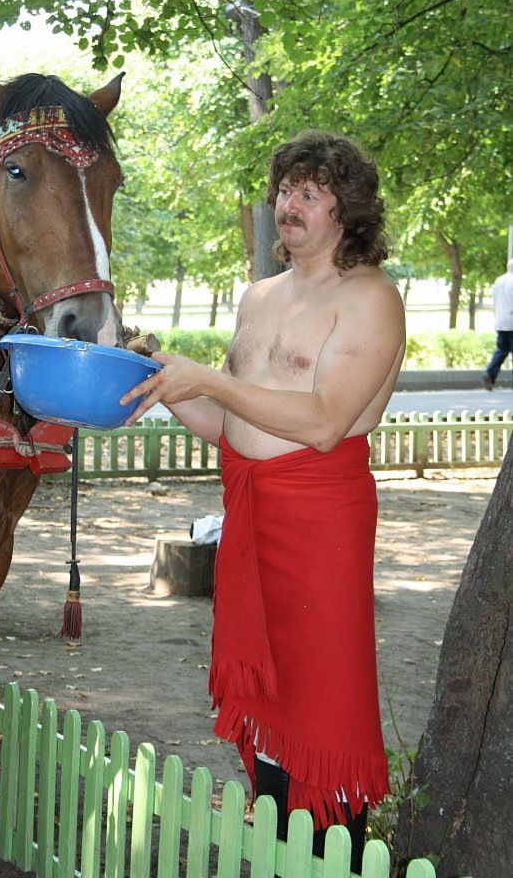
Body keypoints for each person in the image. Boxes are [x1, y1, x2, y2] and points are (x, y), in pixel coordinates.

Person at [121, 129, 406, 869]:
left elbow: (324, 421)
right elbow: (229, 423)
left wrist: (209, 379)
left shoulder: (371, 296)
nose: (290, 204)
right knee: (267, 693)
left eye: (310, 193)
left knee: (325, 696)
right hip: (249, 511)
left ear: (347, 210)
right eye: (285, 189)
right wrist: (162, 381)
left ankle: (337, 856)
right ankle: (282, 844)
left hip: (321, 518)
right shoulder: (259, 295)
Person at [482, 258, 513, 390]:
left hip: (501, 321)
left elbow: (494, 301)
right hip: (511, 320)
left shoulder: (498, 281)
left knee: (502, 350)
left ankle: (490, 374)